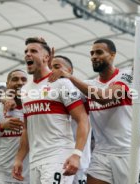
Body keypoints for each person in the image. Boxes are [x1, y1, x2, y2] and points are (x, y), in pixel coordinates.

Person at [49, 39, 140, 184]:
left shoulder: (127, 76)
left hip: (128, 153)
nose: (94, 56)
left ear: (113, 55)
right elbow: (53, 96)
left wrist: (70, 77)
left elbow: (104, 97)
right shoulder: (88, 86)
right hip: (101, 154)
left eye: (99, 52)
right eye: (92, 53)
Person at [12, 37, 89, 184]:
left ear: (46, 57)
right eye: (26, 51)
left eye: (33, 51)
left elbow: (82, 119)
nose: (28, 54)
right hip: (35, 161)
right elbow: (27, 129)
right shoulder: (25, 90)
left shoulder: (62, 83)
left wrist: (77, 154)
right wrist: (19, 158)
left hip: (58, 156)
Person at [0, 69, 29, 184]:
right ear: (7, 84)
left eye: (24, 80)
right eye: (15, 79)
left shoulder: (33, 108)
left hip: (25, 177)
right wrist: (2, 126)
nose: (20, 82)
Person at [51, 55, 92, 184]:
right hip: (54, 161)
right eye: (50, 67)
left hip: (79, 162)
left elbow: (102, 94)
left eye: (57, 67)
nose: (53, 71)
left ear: (69, 70)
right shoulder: (45, 94)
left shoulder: (81, 91)